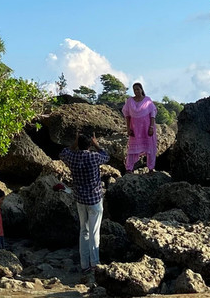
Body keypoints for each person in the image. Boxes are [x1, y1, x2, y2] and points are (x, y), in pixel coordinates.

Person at [60, 132, 110, 274]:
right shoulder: (94, 156)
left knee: (84, 231)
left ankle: (84, 265)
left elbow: (63, 153)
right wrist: (97, 145)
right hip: (94, 199)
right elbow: (106, 156)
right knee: (94, 232)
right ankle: (95, 263)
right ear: (90, 144)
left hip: (80, 199)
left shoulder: (72, 157)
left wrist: (74, 144)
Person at [122, 82, 158, 172]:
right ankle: (129, 168)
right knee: (132, 149)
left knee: (150, 148)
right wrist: (128, 128)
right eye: (134, 90)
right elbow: (127, 115)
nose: (136, 91)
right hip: (135, 129)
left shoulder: (147, 100)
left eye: (138, 89)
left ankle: (151, 168)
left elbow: (152, 114)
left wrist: (151, 127)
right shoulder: (130, 101)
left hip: (146, 128)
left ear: (141, 89)